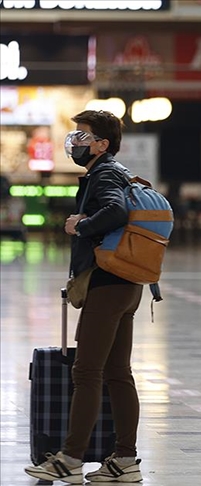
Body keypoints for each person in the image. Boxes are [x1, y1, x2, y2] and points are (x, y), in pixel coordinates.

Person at [25, 110, 145, 484]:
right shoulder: (119, 171)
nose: (75, 141)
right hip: (129, 283)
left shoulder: (105, 173)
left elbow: (116, 210)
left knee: (87, 372)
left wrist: (82, 226)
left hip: (108, 283)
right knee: (117, 372)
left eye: (82, 135)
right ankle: (125, 460)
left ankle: (70, 459)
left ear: (101, 144)